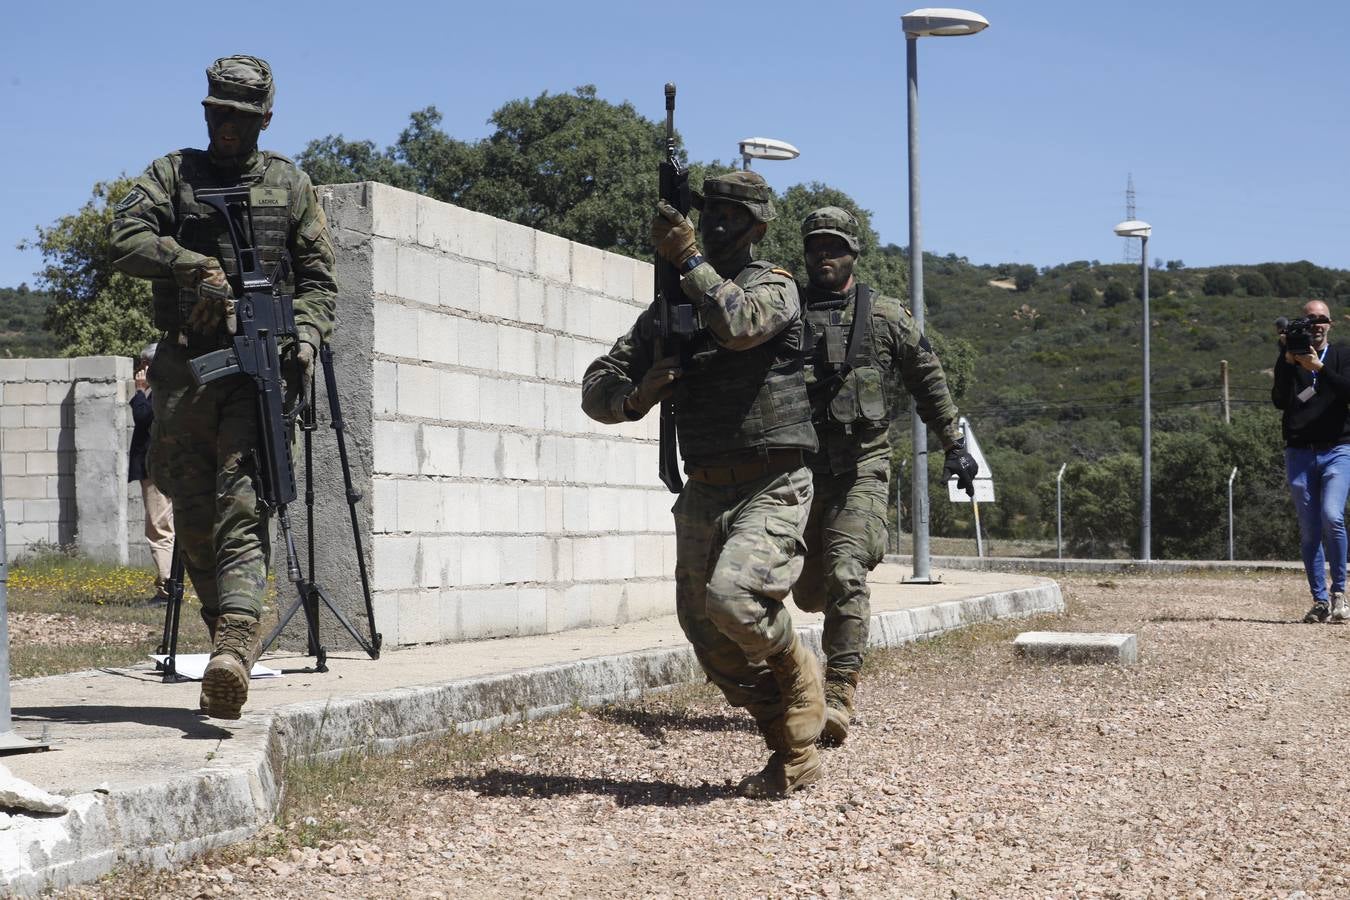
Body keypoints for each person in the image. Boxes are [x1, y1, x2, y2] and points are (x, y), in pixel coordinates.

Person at [582, 171, 826, 798]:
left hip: (773, 479)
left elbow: (741, 324)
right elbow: (596, 385)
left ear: (757, 227)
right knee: (707, 633)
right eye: (707, 214)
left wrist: (688, 258)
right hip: (706, 485)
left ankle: (799, 667)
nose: (716, 224)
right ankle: (790, 748)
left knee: (734, 599)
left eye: (730, 215)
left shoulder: (774, 285)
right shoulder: (671, 309)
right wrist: (639, 394)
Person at [109, 55, 336, 719]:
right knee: (196, 519)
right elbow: (124, 237)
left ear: (265, 117)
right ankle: (224, 647)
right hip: (184, 372)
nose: (225, 126)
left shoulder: (290, 186)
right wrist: (192, 266)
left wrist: (306, 339)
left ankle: (236, 643)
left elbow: (321, 282)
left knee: (243, 504)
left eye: (238, 116)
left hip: (254, 369)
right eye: (216, 113)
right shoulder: (172, 175)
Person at [791, 207, 976, 744]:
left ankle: (839, 692)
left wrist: (954, 447)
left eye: (835, 247)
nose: (825, 256)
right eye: (815, 247)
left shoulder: (887, 317)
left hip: (861, 469)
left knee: (847, 570)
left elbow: (929, 382)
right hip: (798, 472)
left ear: (854, 253)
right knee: (804, 591)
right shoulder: (785, 312)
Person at [1271, 300, 1350, 624]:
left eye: (1321, 320)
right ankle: (1319, 600)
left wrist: (1319, 369)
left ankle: (1339, 594)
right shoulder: (1288, 357)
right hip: (1300, 451)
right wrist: (1288, 361)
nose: (1316, 325)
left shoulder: (1343, 355)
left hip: (1338, 449)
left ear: (1330, 324)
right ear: (1299, 325)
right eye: (1309, 320)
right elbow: (1279, 401)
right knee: (1309, 529)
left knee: (1332, 516)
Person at [129, 343, 175, 601]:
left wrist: (139, 392)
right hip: (163, 466)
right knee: (164, 525)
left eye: (143, 365)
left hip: (156, 468)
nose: (140, 371)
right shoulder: (169, 389)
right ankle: (169, 583)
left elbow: (143, 418)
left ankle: (167, 587)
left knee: (158, 526)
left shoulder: (158, 391)